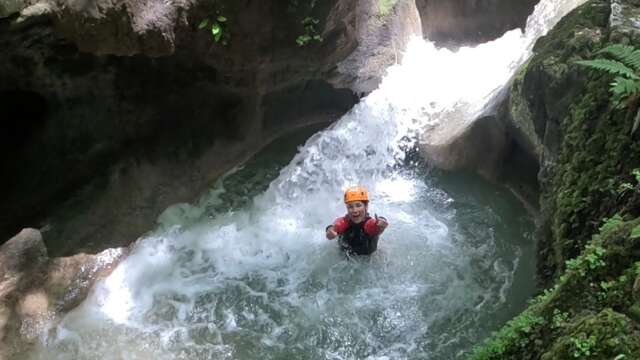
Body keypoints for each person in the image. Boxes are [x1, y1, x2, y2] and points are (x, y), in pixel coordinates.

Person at [325, 185, 389, 255]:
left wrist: (380, 224)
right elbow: (335, 226)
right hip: (346, 258)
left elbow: (373, 226)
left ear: (366, 206)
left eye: (358, 205)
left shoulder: (369, 223)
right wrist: (330, 231)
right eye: (350, 207)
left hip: (368, 258)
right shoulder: (344, 222)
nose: (354, 210)